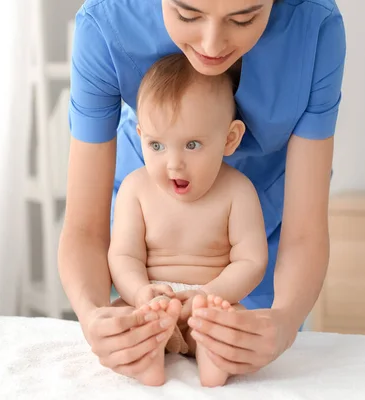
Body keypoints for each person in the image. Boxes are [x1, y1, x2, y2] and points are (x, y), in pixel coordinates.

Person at [58, 0, 346, 381]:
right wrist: (94, 316)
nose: (212, 46)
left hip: (258, 240)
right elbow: (84, 227)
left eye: (244, 18)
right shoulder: (107, 23)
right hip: (151, 242)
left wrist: (284, 321)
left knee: (236, 344)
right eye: (188, 14)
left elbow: (305, 232)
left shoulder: (313, 27)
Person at [107, 53, 268, 387]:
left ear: (229, 139)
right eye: (157, 145)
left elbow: (251, 260)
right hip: (152, 303)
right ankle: (146, 358)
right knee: (123, 321)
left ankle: (214, 361)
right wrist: (140, 293)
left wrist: (209, 296)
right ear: (140, 135)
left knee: (230, 328)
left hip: (209, 303)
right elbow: (124, 256)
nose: (173, 164)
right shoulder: (136, 189)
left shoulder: (237, 191)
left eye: (192, 145)